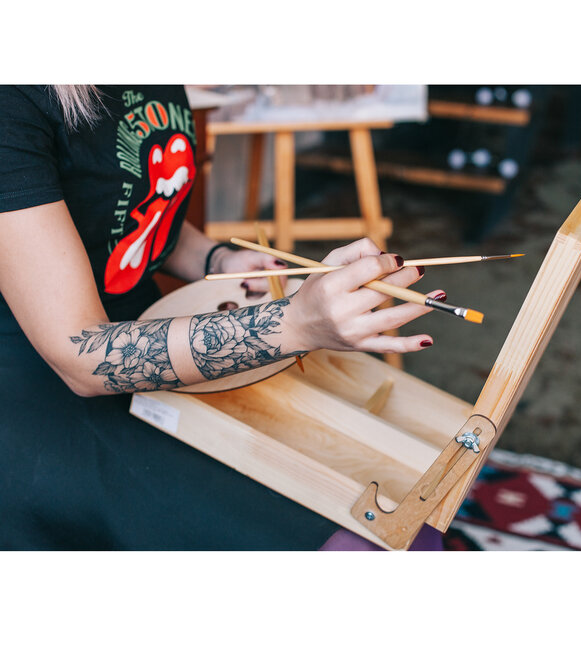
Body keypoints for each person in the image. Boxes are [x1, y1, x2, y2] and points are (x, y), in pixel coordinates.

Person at [0, 85, 446, 550]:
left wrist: (217, 260)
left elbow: (129, 208)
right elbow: (81, 356)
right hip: (45, 395)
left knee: (404, 504)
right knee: (356, 541)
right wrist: (295, 323)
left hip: (156, 335)